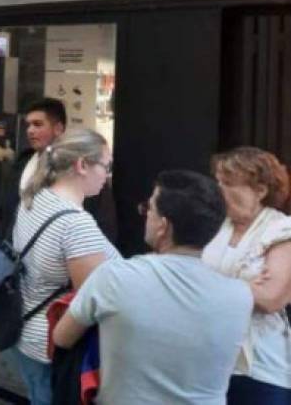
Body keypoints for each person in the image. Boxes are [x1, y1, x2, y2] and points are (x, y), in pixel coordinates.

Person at [54, 170, 254, 404]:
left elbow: (62, 337)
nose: (145, 214)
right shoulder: (241, 296)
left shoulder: (114, 277)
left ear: (163, 226)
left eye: (149, 208)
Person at [11, 128, 118, 405]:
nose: (107, 175)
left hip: (27, 334)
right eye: (106, 166)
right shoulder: (75, 224)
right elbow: (90, 300)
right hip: (53, 346)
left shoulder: (34, 199)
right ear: (82, 165)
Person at [202, 147, 291, 403]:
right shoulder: (212, 226)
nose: (218, 189)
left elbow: (270, 298)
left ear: (260, 191)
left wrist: (206, 284)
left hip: (261, 371)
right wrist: (244, 286)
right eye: (217, 181)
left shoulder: (282, 229)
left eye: (228, 183)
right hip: (209, 363)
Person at [0, 98, 118, 244]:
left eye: (38, 124)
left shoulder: (81, 173)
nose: (30, 130)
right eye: (28, 125)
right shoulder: (21, 163)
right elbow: (2, 209)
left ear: (58, 128)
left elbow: (104, 226)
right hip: (10, 252)